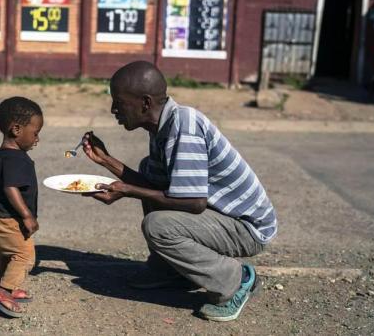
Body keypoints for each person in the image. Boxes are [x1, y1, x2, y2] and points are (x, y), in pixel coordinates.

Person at [81, 61, 277, 322]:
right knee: (147, 171)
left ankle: (237, 281)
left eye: (119, 102)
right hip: (222, 217)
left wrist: (128, 190)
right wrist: (107, 160)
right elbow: (157, 187)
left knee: (158, 226)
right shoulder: (163, 126)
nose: (113, 109)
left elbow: (193, 202)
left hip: (247, 228)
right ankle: (171, 270)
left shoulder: (184, 126)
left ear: (146, 103)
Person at [0, 96, 43, 318]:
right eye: (35, 132)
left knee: (8, 254)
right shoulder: (15, 160)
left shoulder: (0, 156)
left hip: (0, 216)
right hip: (9, 218)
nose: (37, 138)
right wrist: (27, 215)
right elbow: (10, 188)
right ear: (16, 129)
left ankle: (6, 282)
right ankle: (3, 291)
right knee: (24, 255)